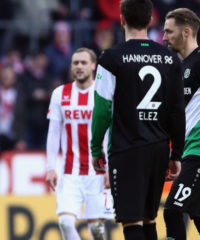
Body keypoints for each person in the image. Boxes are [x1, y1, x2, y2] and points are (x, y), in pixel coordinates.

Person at [90, 0, 186, 240]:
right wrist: (176, 155)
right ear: (151, 19)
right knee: (148, 220)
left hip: (127, 149)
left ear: (121, 19)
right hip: (158, 149)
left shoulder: (111, 59)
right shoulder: (171, 60)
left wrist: (95, 148)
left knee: (132, 224)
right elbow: (177, 111)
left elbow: (102, 109)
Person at [46, 48, 113, 240]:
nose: (79, 66)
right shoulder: (60, 93)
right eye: (75, 63)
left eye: (84, 62)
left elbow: (111, 133)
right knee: (65, 223)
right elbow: (53, 133)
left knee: (97, 231)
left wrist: (110, 166)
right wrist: (50, 167)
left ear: (93, 66)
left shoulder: (103, 93)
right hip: (69, 173)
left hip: (98, 173)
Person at [162, 8, 200, 239]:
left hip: (198, 152)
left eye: (169, 31)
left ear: (186, 32)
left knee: (173, 211)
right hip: (187, 152)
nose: (164, 37)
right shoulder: (180, 67)